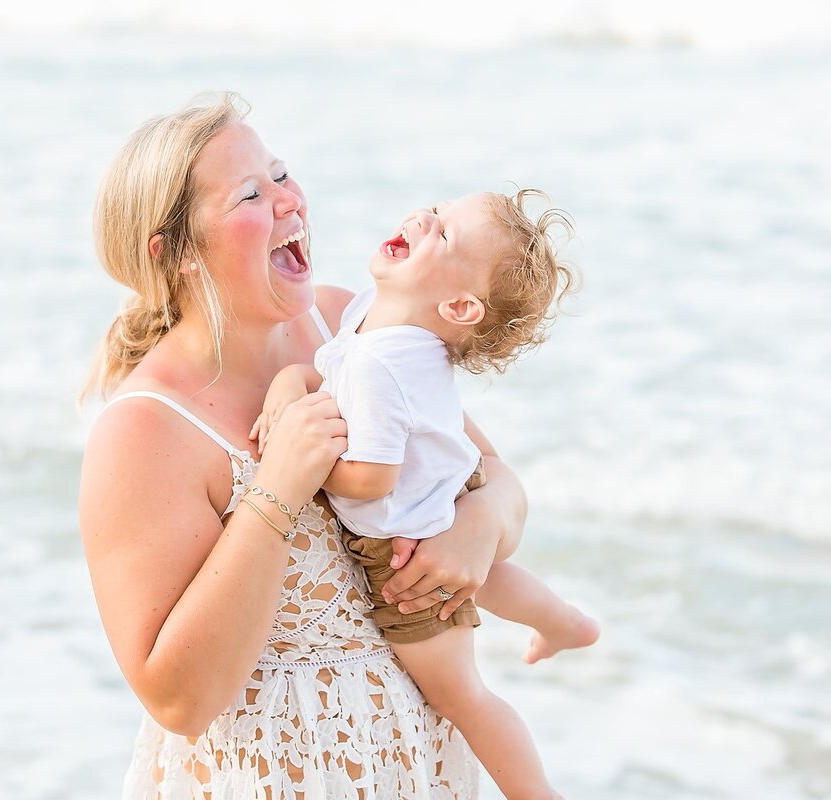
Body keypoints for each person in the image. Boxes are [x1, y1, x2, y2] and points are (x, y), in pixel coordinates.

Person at [77, 93, 531, 799]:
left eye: (282, 173)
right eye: (253, 193)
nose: (290, 200)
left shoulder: (343, 324)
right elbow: (179, 702)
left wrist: (484, 524)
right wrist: (276, 492)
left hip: (417, 770)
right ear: (179, 255)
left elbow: (491, 472)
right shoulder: (144, 430)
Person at [249, 190, 599, 798]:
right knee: (478, 573)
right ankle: (560, 620)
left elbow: (372, 478)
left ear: (460, 305)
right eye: (434, 209)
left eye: (442, 235)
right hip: (442, 486)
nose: (420, 218)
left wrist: (307, 468)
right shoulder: (376, 319)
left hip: (402, 531)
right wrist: (290, 380)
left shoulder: (382, 361)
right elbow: (331, 371)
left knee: (462, 694)